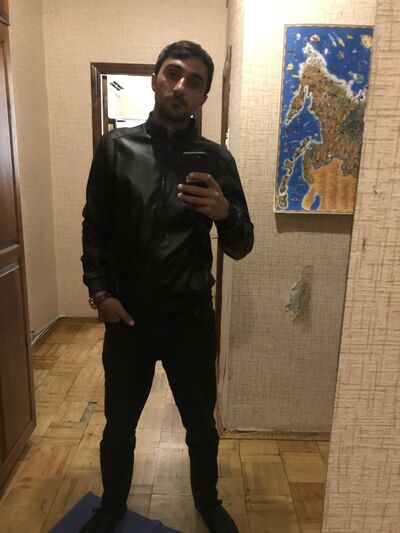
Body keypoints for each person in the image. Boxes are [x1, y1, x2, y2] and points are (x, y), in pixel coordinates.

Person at [80, 40, 253, 533]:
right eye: (173, 74)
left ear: (204, 96)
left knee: (201, 426)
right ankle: (112, 506)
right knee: (119, 427)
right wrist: (100, 293)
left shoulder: (217, 159)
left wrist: (225, 213)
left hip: (190, 321)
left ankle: (208, 503)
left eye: (194, 82)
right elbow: (95, 225)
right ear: (156, 78)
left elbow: (242, 244)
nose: (181, 87)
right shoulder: (116, 148)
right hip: (128, 319)